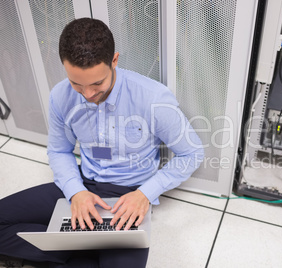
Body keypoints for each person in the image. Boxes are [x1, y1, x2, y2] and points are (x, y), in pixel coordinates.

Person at [0, 18, 204, 267]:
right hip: (83, 184)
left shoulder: (152, 98)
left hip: (128, 195)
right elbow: (59, 149)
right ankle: (79, 250)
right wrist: (76, 192)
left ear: (114, 61)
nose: (87, 95)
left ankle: (68, 253)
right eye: (77, 83)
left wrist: (144, 194)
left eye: (97, 83)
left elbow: (191, 153)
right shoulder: (60, 96)